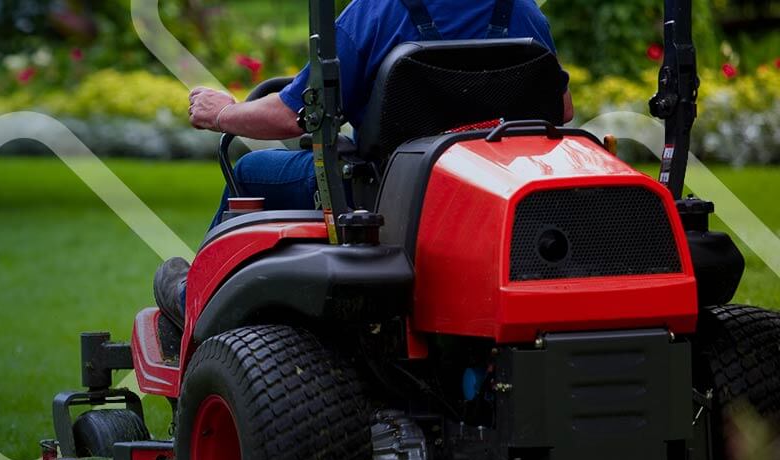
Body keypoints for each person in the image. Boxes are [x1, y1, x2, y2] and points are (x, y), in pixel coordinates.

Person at [154, 0, 575, 328]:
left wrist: (222, 114)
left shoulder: (377, 11)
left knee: (250, 170)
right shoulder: (519, 11)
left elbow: (291, 114)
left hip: (382, 197)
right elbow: (562, 108)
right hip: (493, 192)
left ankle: (195, 296)